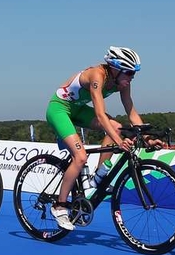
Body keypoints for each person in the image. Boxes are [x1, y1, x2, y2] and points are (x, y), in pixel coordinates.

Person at [46, 46, 161, 231]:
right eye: (129, 73)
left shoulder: (123, 81)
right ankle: (60, 206)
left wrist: (147, 138)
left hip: (79, 109)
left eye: (134, 73)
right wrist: (119, 141)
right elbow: (100, 114)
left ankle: (99, 177)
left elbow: (131, 112)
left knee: (117, 127)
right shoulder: (97, 75)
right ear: (115, 69)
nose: (132, 77)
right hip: (60, 109)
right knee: (80, 157)